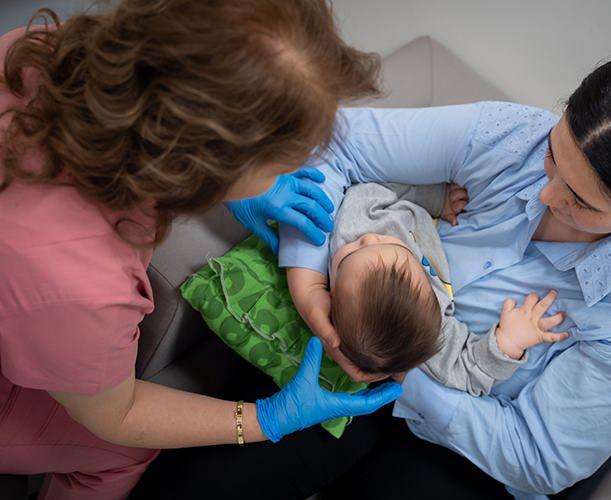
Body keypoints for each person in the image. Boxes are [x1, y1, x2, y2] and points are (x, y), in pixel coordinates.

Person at [274, 53, 611, 499]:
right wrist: (307, 283)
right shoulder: (512, 137)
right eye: (554, 155)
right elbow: (332, 144)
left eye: (581, 202)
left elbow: (536, 457)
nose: (546, 194)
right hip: (348, 341)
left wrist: (396, 366)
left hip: (469, 446)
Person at [0, 1, 402, 499]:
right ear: (200, 165)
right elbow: (115, 415)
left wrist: (239, 187)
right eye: (278, 164)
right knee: (118, 453)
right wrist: (266, 419)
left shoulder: (36, 50)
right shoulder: (82, 284)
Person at [320, 181, 569, 395]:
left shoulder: (357, 218)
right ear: (329, 297)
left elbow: (382, 187)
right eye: (353, 251)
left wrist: (436, 198)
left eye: (389, 243)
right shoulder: (429, 329)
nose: (369, 237)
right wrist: (509, 342)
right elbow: (468, 371)